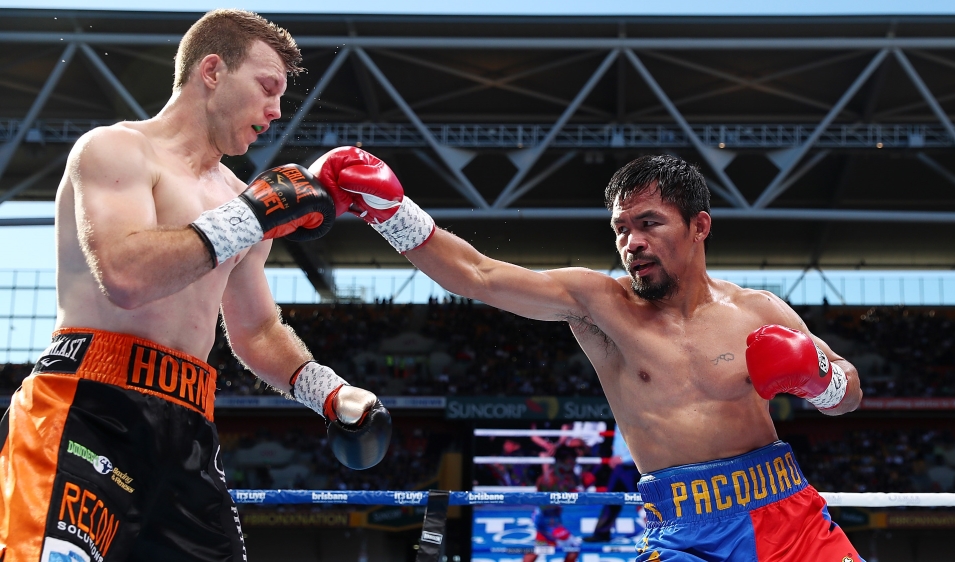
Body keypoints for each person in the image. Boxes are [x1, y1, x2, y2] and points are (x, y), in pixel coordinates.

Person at [310, 148, 865, 561]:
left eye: (649, 224)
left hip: (785, 516)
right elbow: (478, 275)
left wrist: (821, 381)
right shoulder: (601, 304)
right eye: (621, 229)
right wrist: (390, 211)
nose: (632, 243)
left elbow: (849, 394)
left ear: (700, 227)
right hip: (681, 532)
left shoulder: (758, 310)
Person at [0, 10, 390, 562]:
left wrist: (331, 392)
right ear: (212, 70)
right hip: (88, 409)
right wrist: (251, 216)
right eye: (267, 87)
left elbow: (256, 331)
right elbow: (126, 275)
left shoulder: (243, 200)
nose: (276, 111)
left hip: (188, 433)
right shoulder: (115, 150)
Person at [528, 445, 582, 562]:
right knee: (574, 547)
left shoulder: (567, 474)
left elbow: (575, 488)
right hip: (546, 520)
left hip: (551, 519)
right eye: (571, 461)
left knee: (540, 548)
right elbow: (544, 503)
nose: (573, 464)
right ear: (562, 461)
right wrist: (569, 494)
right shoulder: (549, 479)